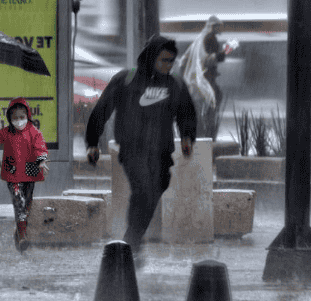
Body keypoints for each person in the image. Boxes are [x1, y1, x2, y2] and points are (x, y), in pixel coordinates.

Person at [85, 34, 197, 254]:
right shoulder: (126, 80)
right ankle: (132, 242)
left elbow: (187, 113)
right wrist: (92, 142)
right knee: (143, 189)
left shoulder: (174, 84)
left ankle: (132, 238)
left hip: (162, 152)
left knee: (158, 186)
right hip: (133, 150)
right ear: (151, 57)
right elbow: (102, 110)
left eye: (171, 61)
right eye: (163, 60)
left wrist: (187, 137)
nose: (168, 66)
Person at [0, 97, 50, 253]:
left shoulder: (34, 132)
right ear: (10, 119)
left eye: (22, 117)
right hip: (13, 174)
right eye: (15, 118)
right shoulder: (6, 132)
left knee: (26, 205)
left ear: (27, 115)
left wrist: (42, 161)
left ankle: (20, 232)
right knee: (18, 202)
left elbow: (40, 148)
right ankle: (22, 236)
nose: (19, 121)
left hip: (30, 173)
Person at [173, 15, 226, 135]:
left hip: (197, 82)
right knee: (209, 107)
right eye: (218, 27)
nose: (220, 30)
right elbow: (207, 60)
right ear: (213, 27)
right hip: (203, 80)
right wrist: (223, 52)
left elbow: (183, 62)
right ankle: (205, 136)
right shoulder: (209, 39)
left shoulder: (199, 39)